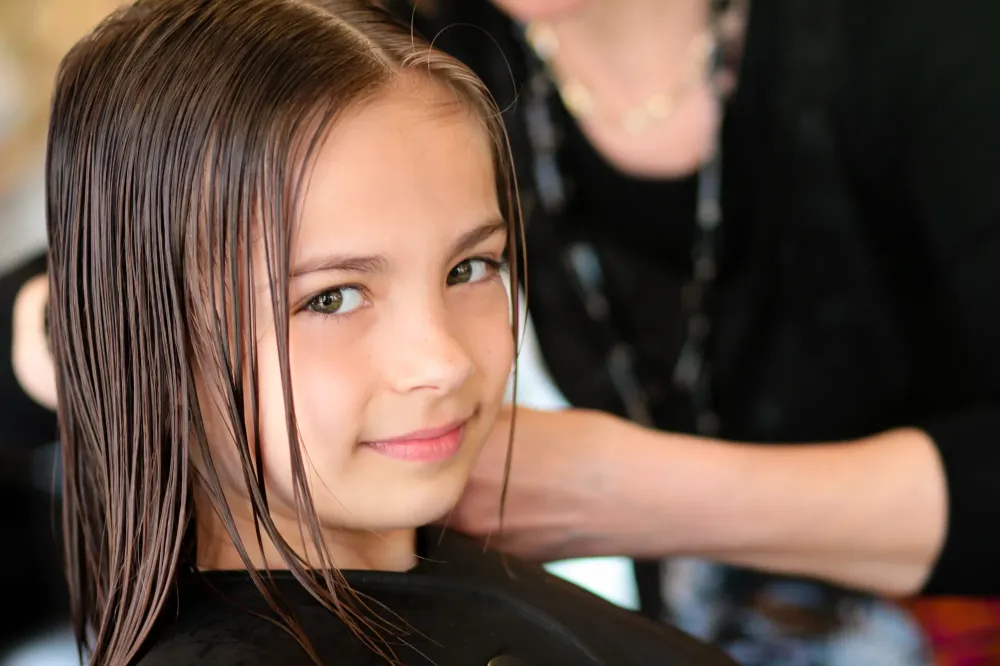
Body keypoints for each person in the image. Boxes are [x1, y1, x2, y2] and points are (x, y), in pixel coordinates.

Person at [8, 0, 1000, 662]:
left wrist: (637, 490)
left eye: (473, 267)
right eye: (331, 298)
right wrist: (112, 326)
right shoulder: (425, 33)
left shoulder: (924, 51)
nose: (440, 358)